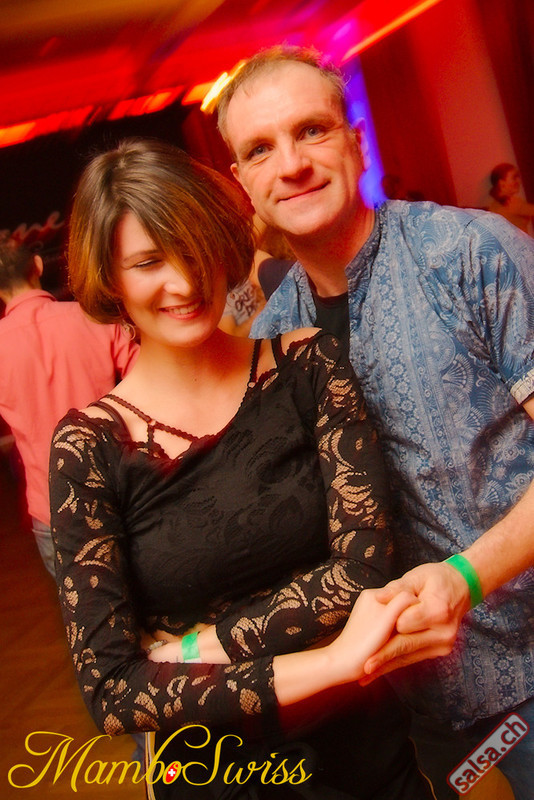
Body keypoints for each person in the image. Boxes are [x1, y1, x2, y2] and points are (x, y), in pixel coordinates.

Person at [48, 138, 433, 800]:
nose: (184, 282)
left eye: (193, 247)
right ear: (109, 278)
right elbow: (113, 692)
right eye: (148, 262)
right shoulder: (90, 448)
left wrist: (194, 651)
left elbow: (363, 569)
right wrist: (332, 660)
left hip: (366, 752)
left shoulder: (309, 366)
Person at [215, 45, 534, 800]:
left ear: (355, 141)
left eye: (312, 131)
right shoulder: (273, 336)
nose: (292, 164)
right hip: (408, 701)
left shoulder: (470, 252)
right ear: (243, 181)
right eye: (260, 150)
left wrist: (467, 577)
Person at [0, 240, 137, 576]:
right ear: (37, 265)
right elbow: (152, 379)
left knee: (87, 606)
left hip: (51, 508)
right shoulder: (91, 316)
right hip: (121, 492)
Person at [488, 162, 534, 234]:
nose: (519, 181)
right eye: (514, 177)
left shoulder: (494, 205)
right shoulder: (512, 203)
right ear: (502, 183)